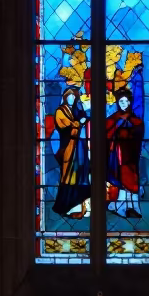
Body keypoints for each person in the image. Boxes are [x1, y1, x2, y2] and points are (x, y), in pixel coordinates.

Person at [51, 86, 91, 218]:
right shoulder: (60, 111)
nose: (72, 98)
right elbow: (65, 125)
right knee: (68, 177)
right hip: (67, 148)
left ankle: (78, 206)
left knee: (78, 175)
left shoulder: (74, 110)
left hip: (78, 148)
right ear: (65, 97)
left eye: (74, 96)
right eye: (69, 96)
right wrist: (79, 123)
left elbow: (81, 120)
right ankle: (65, 206)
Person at [106, 87, 144, 218]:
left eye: (125, 101)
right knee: (119, 179)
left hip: (130, 156)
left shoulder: (136, 121)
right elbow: (105, 131)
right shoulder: (113, 119)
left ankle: (133, 207)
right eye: (120, 102)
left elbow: (138, 132)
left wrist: (127, 133)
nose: (123, 104)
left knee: (130, 178)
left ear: (130, 103)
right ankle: (121, 207)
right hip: (116, 157)